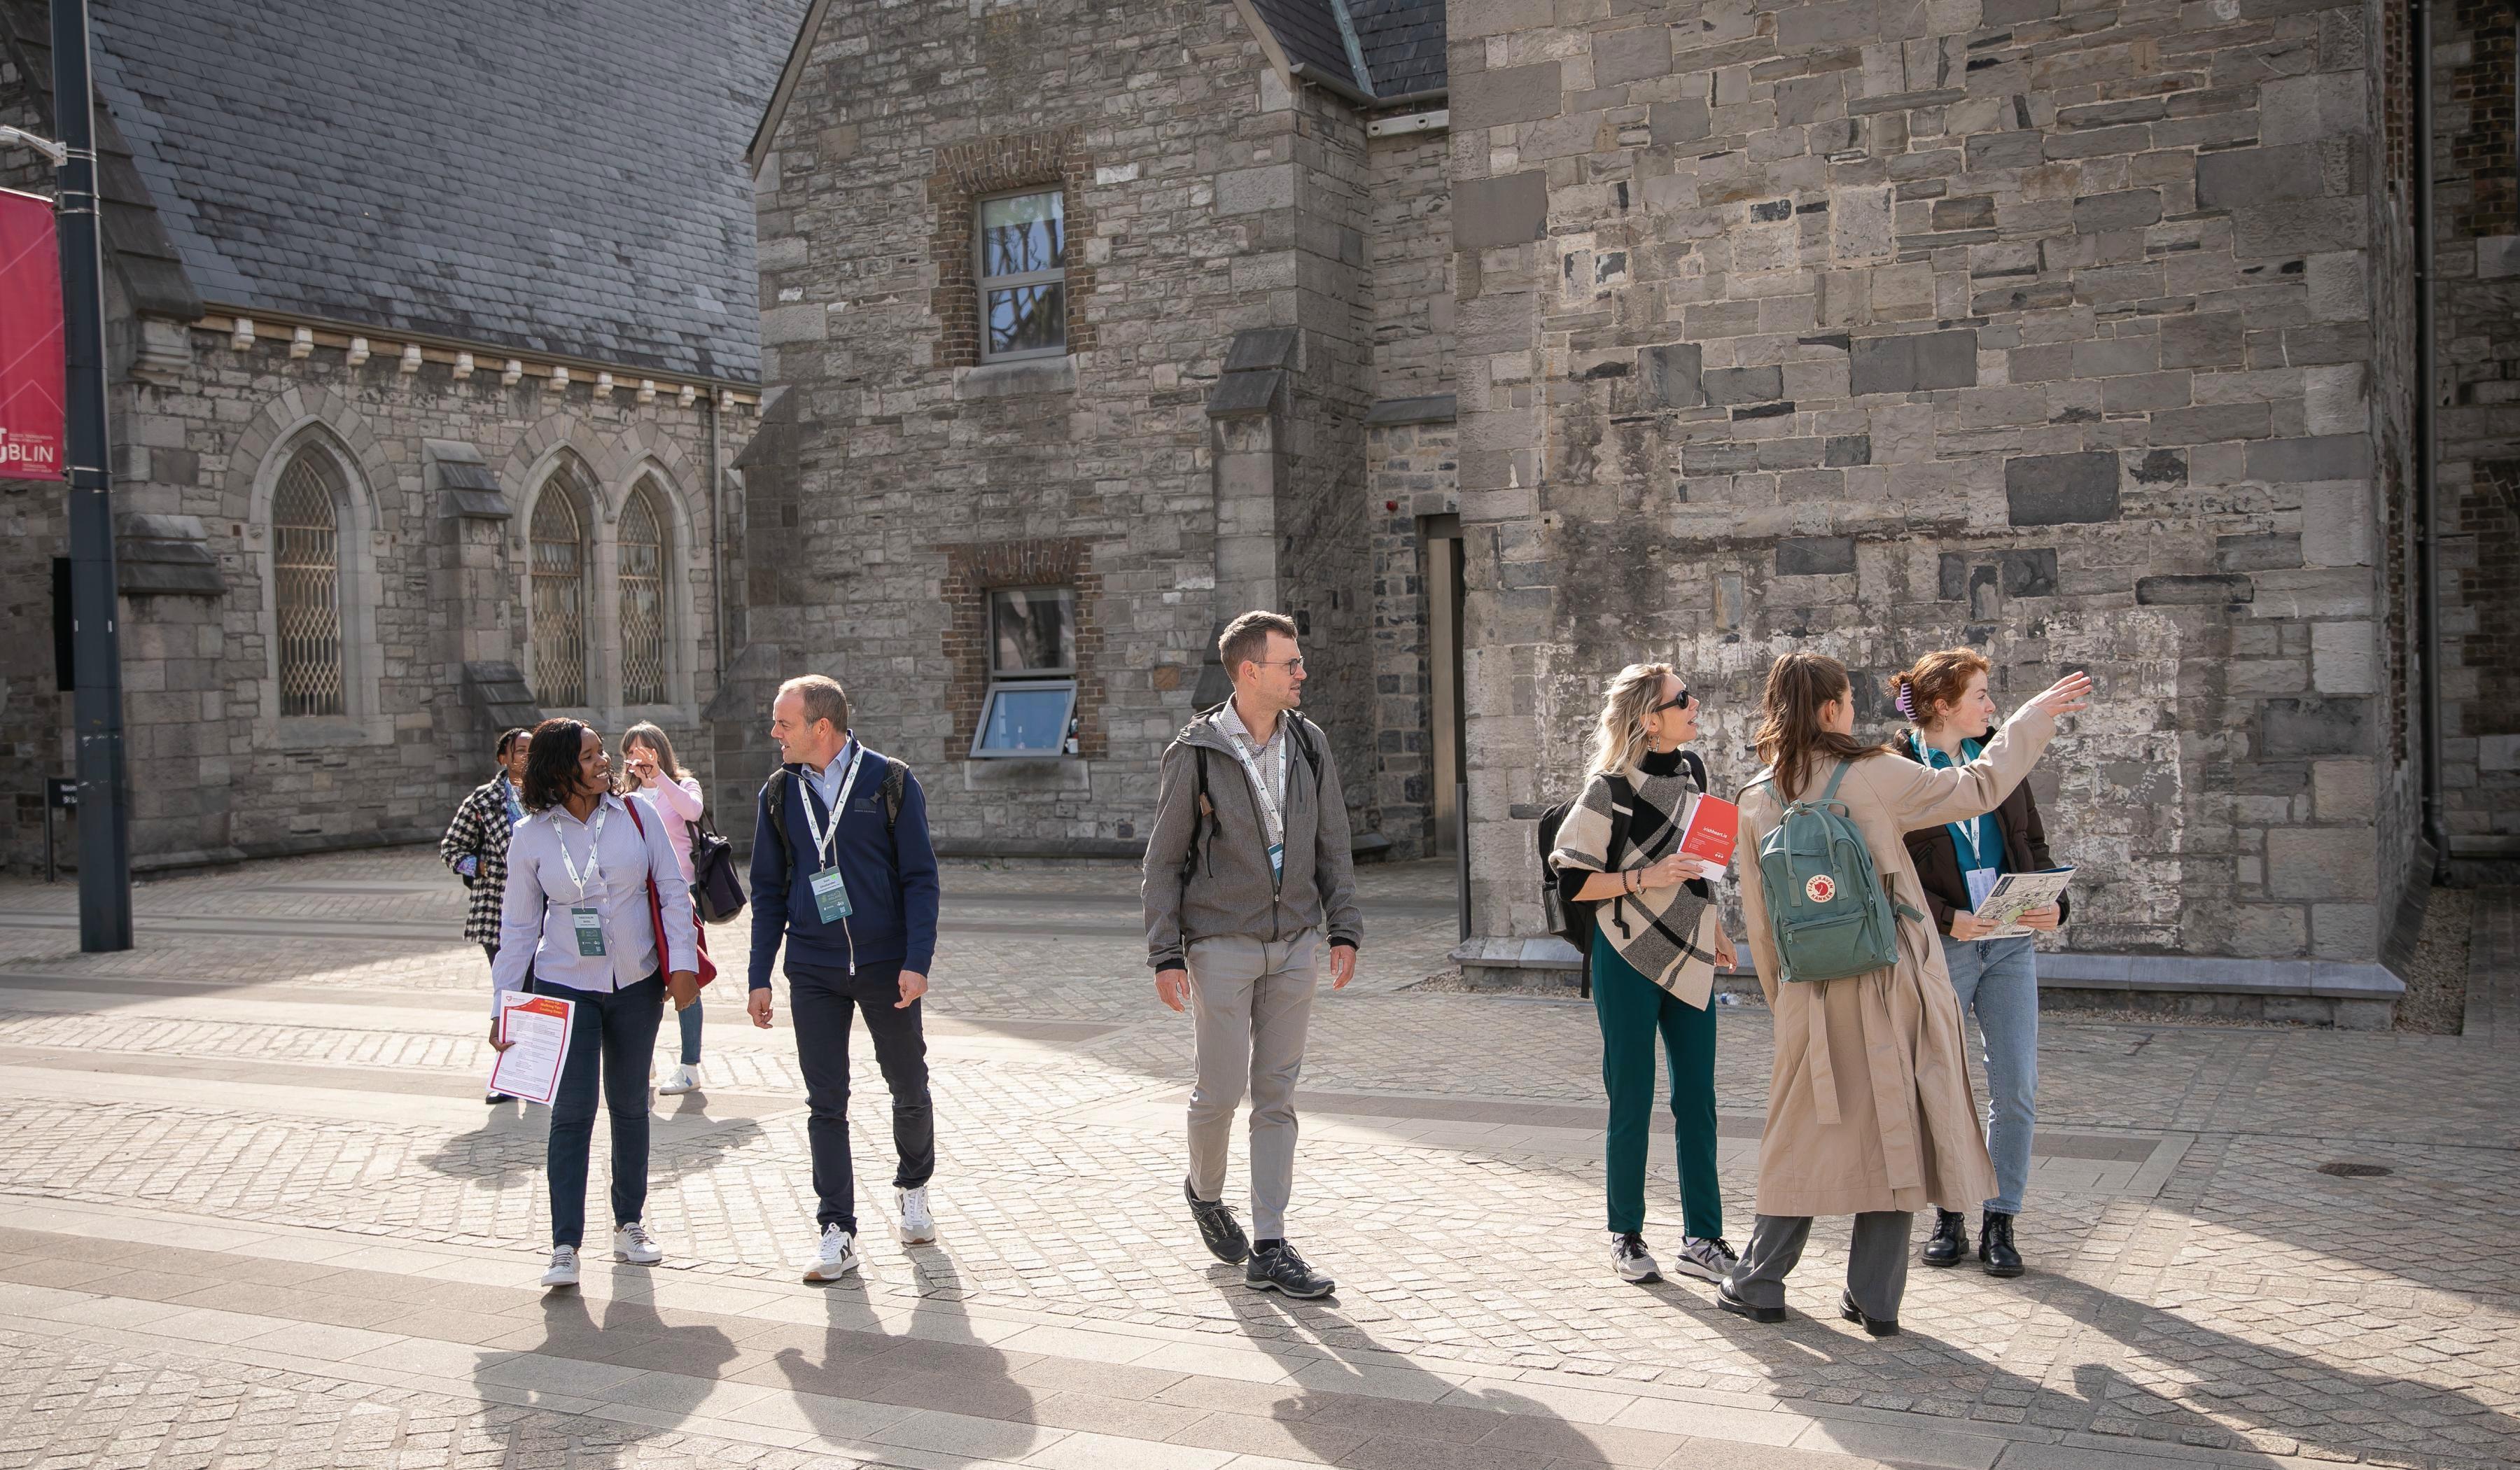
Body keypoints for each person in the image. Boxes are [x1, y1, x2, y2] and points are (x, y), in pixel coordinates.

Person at [1721, 653, 2088, 1335]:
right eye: (1847, 703)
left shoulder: (1756, 798)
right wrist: (2032, 722)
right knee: (1896, 1129)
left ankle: (1760, 1281)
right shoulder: (1873, 775)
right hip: (1890, 980)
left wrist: (1788, 1008)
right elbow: (1977, 788)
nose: (1856, 713)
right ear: (1831, 709)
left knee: (1798, 1138)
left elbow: (1762, 927)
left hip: (1811, 993)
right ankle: (1875, 1301)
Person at [1142, 610, 1363, 1299]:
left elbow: (1333, 844)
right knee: (1220, 1093)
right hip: (1220, 947)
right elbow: (1163, 861)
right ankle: (1205, 1193)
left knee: (1278, 1097)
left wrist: (1345, 929)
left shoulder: (1310, 745)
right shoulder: (1197, 752)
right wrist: (1165, 954)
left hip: (1295, 944)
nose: (1302, 673)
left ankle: (1271, 1243)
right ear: (1248, 672)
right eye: (1288, 664)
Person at [489, 718, 700, 1289]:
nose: (603, 762)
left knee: (631, 1106)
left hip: (636, 983)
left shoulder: (639, 815)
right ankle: (564, 1244)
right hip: (565, 986)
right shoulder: (531, 837)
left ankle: (630, 1223)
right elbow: (517, 930)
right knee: (573, 1113)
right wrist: (502, 1007)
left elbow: (674, 894)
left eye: (601, 753)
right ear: (560, 770)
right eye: (589, 757)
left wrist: (681, 967)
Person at [1548, 663, 1738, 1287]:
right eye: (1683, 699)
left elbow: (1705, 868)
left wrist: (1719, 930)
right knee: (1631, 1100)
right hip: (1623, 956)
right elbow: (1574, 883)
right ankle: (1625, 1234)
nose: (1695, 704)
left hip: (1690, 954)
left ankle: (1703, 1239)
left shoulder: (1696, 774)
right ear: (1649, 718)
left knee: (1698, 1101)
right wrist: (1645, 878)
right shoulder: (1607, 789)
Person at [746, 674, 941, 1282]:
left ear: (820, 727)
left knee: (908, 1083)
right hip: (813, 967)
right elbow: (768, 890)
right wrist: (759, 976)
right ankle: (837, 1229)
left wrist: (917, 961)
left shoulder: (890, 781)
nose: (774, 733)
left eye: (784, 723)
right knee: (825, 1101)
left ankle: (913, 1188)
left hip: (885, 966)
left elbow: (920, 878)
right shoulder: (779, 793)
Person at [1889, 650, 2067, 1279]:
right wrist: (1946, 918)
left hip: (2012, 940)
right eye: (1982, 695)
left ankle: (2001, 1218)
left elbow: (2034, 847)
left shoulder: (2001, 761)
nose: (1992, 706)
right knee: (1943, 1083)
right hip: (1948, 946)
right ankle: (1950, 1214)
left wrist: (2054, 902)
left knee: (2016, 1086)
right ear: (1942, 705)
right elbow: (1887, 871)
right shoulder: (1897, 771)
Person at [442, 727, 533, 1103]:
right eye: (520, 751)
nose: (526, 757)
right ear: (504, 758)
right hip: (495, 911)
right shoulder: (482, 801)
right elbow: (450, 849)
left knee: (537, 992)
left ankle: (537, 1071)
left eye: (532, 750)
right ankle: (508, 1076)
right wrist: (481, 867)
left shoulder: (549, 795)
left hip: (543, 912)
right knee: (509, 993)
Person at [619, 721, 709, 1096]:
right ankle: (644, 1059)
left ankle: (690, 1065)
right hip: (640, 898)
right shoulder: (624, 796)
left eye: (644, 750)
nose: (638, 759)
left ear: (660, 751)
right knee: (643, 979)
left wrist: (661, 779)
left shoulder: (682, 785)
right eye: (630, 752)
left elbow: (692, 811)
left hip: (681, 895)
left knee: (687, 974)